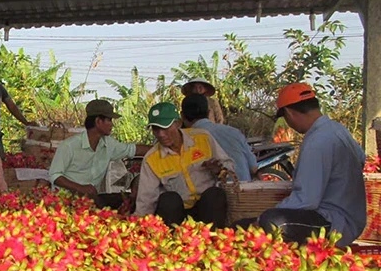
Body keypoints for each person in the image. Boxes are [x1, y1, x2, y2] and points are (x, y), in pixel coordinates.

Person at [254, 83, 366, 247]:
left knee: (271, 220)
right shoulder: (337, 129)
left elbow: (306, 200)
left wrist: (263, 216)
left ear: (289, 113)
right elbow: (361, 159)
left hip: (332, 222)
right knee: (248, 223)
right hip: (350, 219)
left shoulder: (317, 141)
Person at [135, 102, 235, 228]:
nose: (161, 134)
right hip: (178, 214)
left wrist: (219, 170)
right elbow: (146, 199)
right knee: (169, 199)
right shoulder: (151, 158)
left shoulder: (202, 138)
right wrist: (138, 226)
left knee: (215, 194)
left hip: (207, 210)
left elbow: (230, 167)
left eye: (165, 128)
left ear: (178, 123)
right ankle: (172, 241)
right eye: (156, 129)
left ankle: (213, 238)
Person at [49, 99, 151, 208]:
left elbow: (133, 149)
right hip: (64, 201)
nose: (112, 125)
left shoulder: (109, 144)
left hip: (92, 200)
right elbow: (55, 176)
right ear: (98, 121)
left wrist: (163, 149)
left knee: (127, 199)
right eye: (109, 120)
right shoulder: (69, 146)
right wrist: (80, 188)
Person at [181, 93, 257, 182]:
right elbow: (254, 168)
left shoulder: (184, 140)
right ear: (209, 113)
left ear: (182, 116)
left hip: (211, 194)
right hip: (243, 192)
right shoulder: (234, 132)